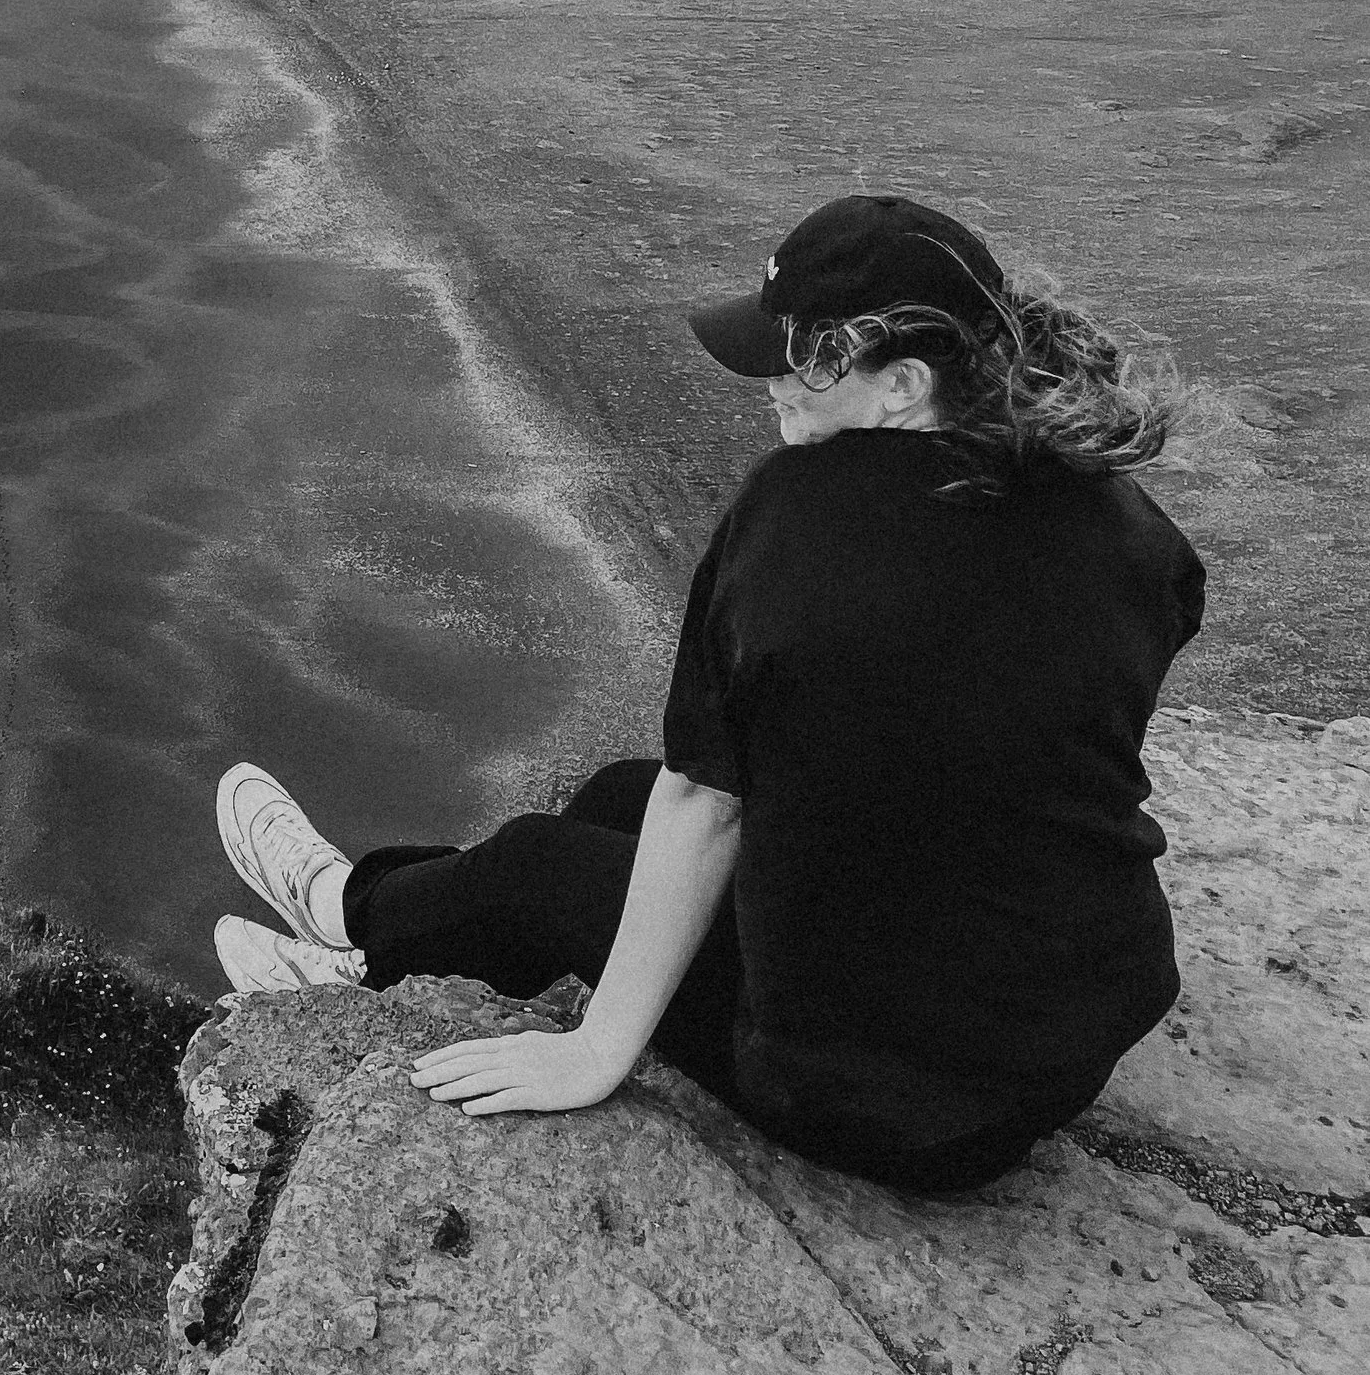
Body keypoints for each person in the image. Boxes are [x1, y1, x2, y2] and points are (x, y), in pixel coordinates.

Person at [213, 193, 1205, 1194]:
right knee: (616, 798)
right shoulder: (1124, 520)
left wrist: (596, 1053)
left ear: (901, 384)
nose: (770, 384)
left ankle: (345, 932)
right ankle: (393, 945)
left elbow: (708, 802)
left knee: (539, 868)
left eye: (802, 361)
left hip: (885, 1098)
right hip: (1059, 1044)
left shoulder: (796, 520)